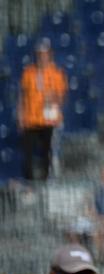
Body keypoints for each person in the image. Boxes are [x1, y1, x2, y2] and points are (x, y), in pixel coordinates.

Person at [17, 39, 67, 181]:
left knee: (47, 153)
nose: (42, 57)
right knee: (27, 154)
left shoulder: (57, 73)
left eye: (44, 54)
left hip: (48, 120)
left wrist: (54, 97)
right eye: (39, 54)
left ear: (50, 55)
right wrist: (20, 116)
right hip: (30, 120)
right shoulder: (28, 72)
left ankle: (45, 181)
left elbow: (62, 97)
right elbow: (22, 96)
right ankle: (30, 182)